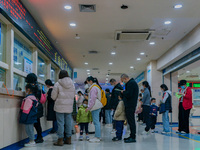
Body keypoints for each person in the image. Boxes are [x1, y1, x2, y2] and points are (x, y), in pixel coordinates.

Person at [51, 70, 75, 146]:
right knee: (68, 123)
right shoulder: (72, 84)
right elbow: (73, 96)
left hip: (59, 106)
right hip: (69, 107)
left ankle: (60, 140)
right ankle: (68, 139)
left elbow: (53, 96)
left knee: (60, 123)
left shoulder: (57, 84)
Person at [25, 73, 44, 143]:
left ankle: (38, 137)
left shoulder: (32, 86)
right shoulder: (37, 86)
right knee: (37, 123)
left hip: (35, 108)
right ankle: (39, 137)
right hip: (38, 107)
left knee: (36, 124)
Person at [121, 74, 139, 143]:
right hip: (131, 104)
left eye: (123, 81)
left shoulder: (131, 83)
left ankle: (133, 137)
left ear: (125, 78)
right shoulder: (132, 83)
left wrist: (123, 92)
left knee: (131, 121)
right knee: (130, 121)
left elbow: (129, 94)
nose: (123, 82)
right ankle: (131, 136)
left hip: (130, 105)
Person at [85, 76, 103, 143]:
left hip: (95, 106)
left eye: (88, 82)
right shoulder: (96, 87)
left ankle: (97, 137)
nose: (87, 84)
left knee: (96, 122)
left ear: (91, 81)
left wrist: (88, 107)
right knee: (97, 122)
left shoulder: (93, 88)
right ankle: (97, 136)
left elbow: (92, 99)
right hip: (97, 106)